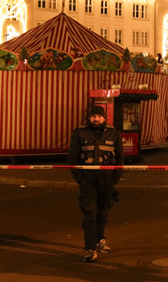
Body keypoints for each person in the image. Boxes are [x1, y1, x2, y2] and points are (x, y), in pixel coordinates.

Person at [68, 105, 123, 262]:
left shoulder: (114, 133)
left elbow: (120, 159)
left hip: (107, 180)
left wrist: (114, 180)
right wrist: (80, 180)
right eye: (93, 117)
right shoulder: (80, 133)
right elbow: (72, 158)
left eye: (99, 116)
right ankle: (90, 249)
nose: (96, 119)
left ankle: (100, 240)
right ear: (89, 118)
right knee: (89, 212)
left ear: (104, 118)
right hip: (88, 180)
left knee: (102, 211)